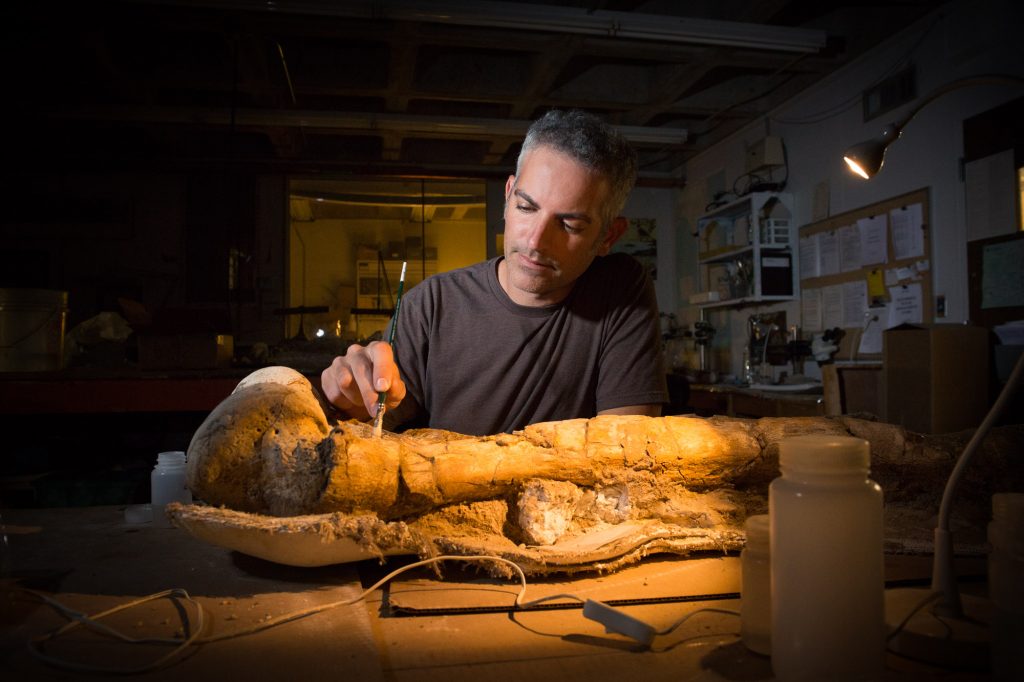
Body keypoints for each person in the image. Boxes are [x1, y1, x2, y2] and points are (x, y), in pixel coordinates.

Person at [321, 109, 667, 435]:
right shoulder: (430, 305)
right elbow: (370, 418)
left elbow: (624, 454)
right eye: (526, 207)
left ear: (608, 236)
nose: (535, 241)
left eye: (570, 225)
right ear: (507, 195)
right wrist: (348, 397)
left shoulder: (620, 288)